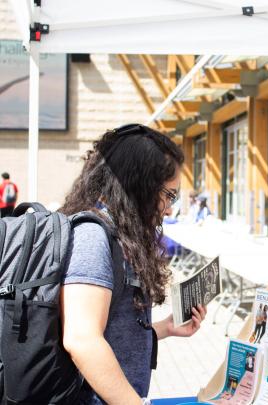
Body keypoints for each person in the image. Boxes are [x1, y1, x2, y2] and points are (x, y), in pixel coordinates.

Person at [59, 124, 207, 404]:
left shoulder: (119, 234)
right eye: (169, 195)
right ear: (141, 183)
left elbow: (114, 331)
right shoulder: (92, 236)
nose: (170, 207)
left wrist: (167, 327)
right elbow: (82, 340)